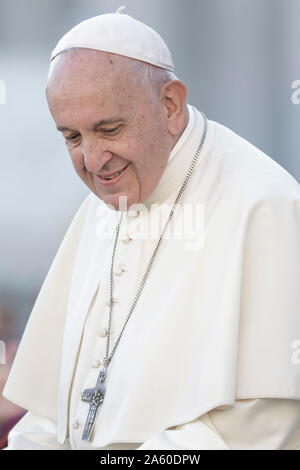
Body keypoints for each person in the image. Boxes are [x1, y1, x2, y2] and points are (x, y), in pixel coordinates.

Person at [3, 9, 300, 450]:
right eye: (71, 137)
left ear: (170, 105)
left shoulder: (264, 204)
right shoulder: (97, 210)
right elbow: (50, 414)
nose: (93, 160)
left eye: (110, 129)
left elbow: (265, 422)